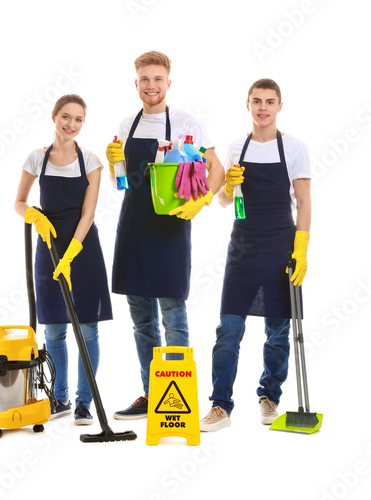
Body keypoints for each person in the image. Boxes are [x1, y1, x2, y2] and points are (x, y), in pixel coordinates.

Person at [106, 51, 224, 420]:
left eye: (158, 79)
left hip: (171, 229)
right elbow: (121, 184)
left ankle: (180, 396)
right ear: (136, 83)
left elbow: (215, 169)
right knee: (141, 318)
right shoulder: (128, 125)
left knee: (173, 315)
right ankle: (152, 393)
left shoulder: (187, 122)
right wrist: (115, 164)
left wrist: (200, 203)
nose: (151, 86)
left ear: (168, 83)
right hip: (134, 228)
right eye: (145, 79)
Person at [200, 78, 312, 431]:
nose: (263, 107)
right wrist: (229, 187)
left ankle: (270, 397)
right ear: (247, 105)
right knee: (228, 328)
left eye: (269, 101)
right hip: (243, 249)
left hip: (281, 247)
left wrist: (301, 249)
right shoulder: (236, 147)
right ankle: (220, 405)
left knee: (278, 331)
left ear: (280, 106)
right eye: (256, 101)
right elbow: (221, 200)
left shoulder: (294, 148)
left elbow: (305, 201)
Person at [14, 94, 112, 424]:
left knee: (87, 330)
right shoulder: (35, 159)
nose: (71, 124)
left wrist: (72, 252)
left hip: (82, 251)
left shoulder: (91, 161)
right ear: (54, 117)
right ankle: (60, 398)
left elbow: (88, 213)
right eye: (66, 117)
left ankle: (85, 402)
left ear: (83, 123)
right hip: (48, 248)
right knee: (54, 329)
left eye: (78, 119)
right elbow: (19, 202)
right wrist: (35, 218)